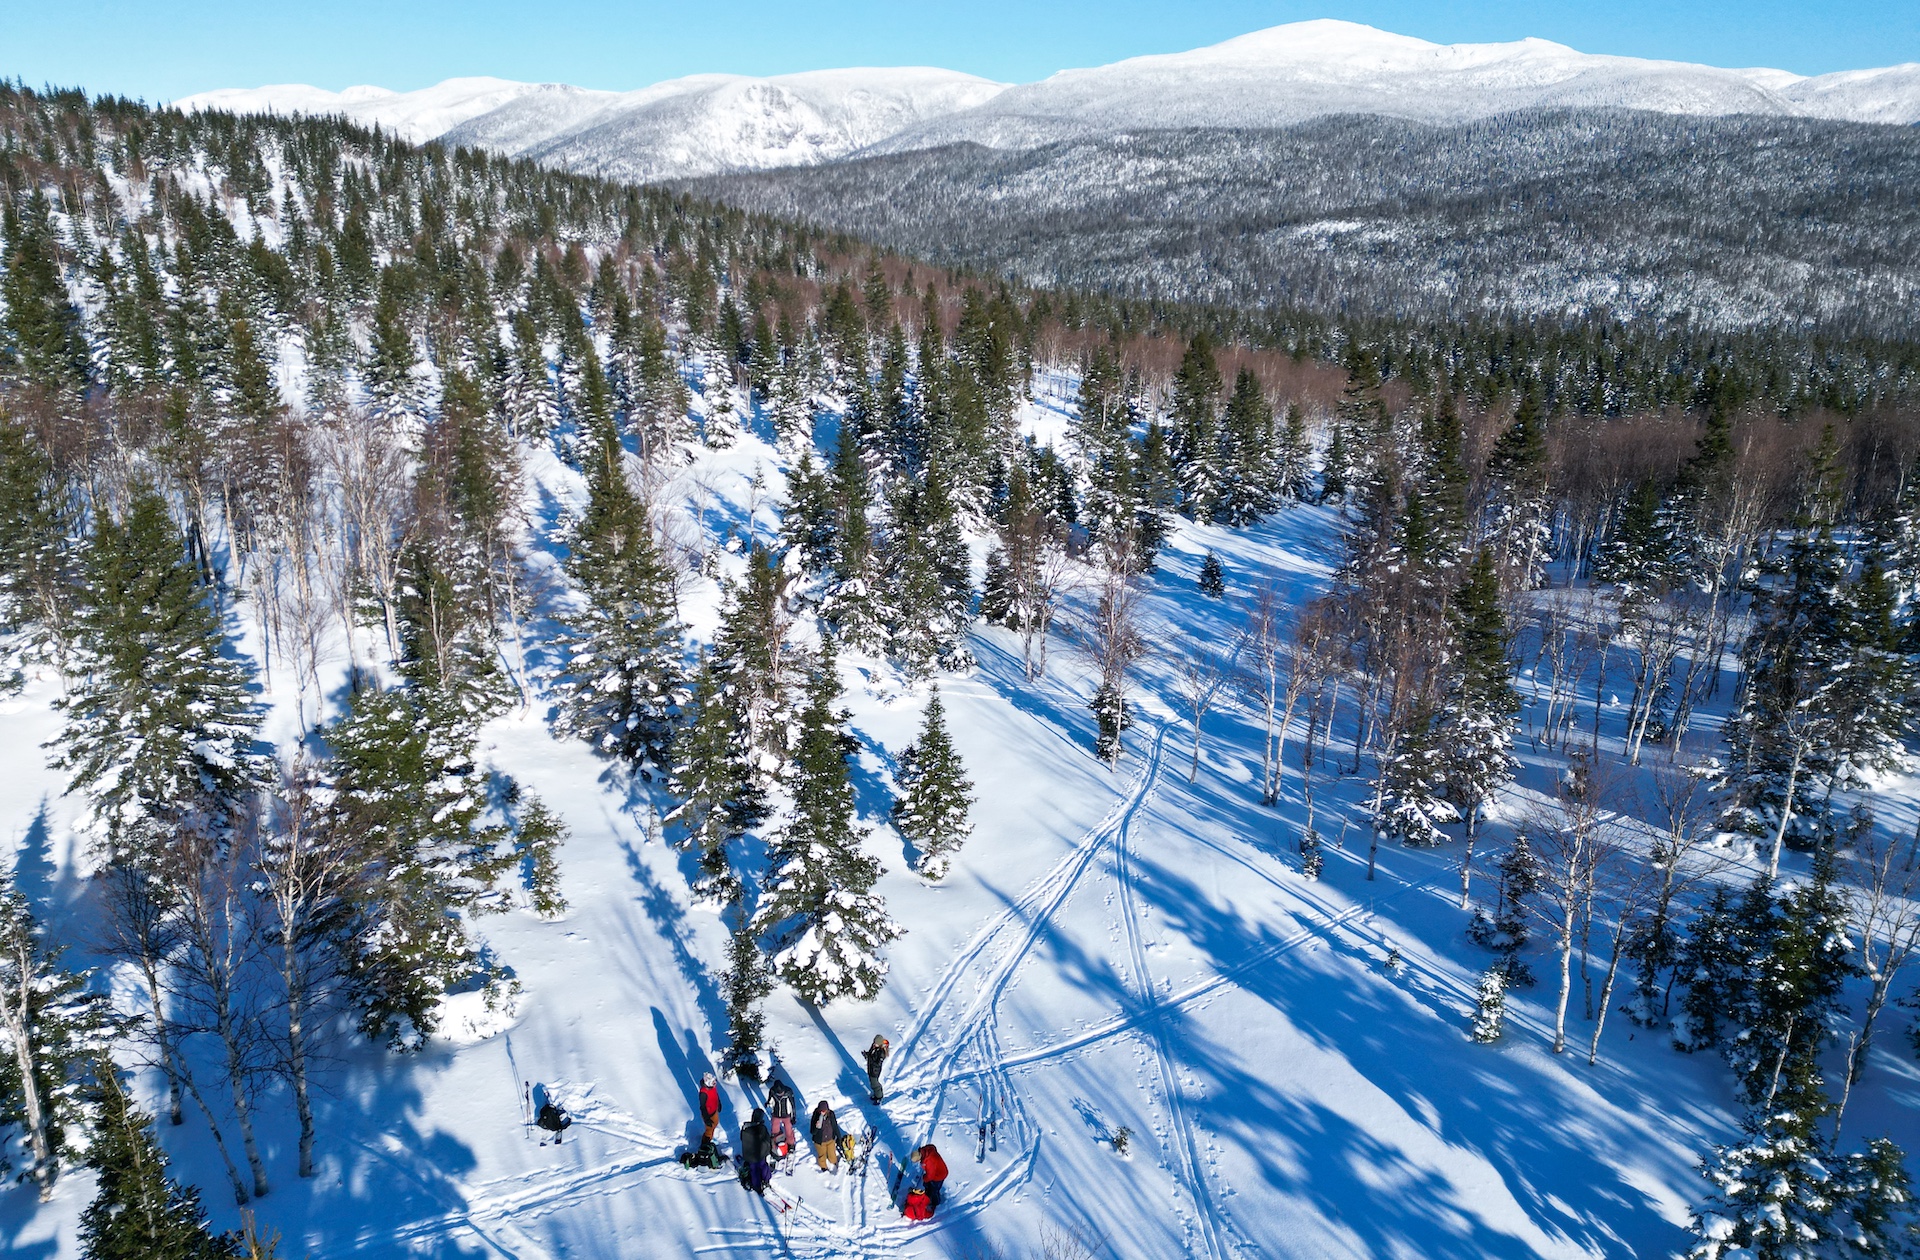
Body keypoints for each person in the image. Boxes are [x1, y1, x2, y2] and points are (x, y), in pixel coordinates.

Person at [740, 1107, 773, 1195]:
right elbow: (767, 1140)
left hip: (749, 1155)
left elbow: (741, 1138)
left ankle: (757, 1185)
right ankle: (766, 1180)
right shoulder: (761, 1128)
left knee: (753, 1169)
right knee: (763, 1166)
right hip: (759, 1154)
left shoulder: (745, 1127)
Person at [767, 1076, 798, 1157]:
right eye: (779, 1093)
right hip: (776, 1114)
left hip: (786, 1114)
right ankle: (776, 1144)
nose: (780, 1094)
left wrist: (793, 1116)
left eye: (781, 1093)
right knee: (774, 1130)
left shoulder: (788, 1092)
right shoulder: (772, 1091)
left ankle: (791, 1145)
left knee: (788, 1130)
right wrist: (768, 1104)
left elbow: (792, 1105)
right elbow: (770, 1100)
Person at [911, 1143, 948, 1208]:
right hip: (939, 1169)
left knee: (934, 1190)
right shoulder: (925, 1150)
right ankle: (928, 1192)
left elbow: (930, 1176)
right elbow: (932, 1146)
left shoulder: (928, 1161)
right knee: (928, 1184)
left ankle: (935, 1202)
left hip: (939, 1175)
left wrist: (924, 1178)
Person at [809, 1100, 842, 1172]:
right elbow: (812, 1132)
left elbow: (835, 1126)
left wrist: (839, 1137)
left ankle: (833, 1162)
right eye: (821, 1110)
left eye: (825, 1110)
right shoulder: (816, 1116)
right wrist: (816, 1127)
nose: (823, 1112)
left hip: (830, 1139)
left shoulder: (831, 1114)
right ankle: (823, 1167)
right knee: (822, 1155)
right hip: (820, 1141)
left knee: (832, 1154)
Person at [864, 1035, 890, 1103]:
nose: (874, 1044)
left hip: (875, 1070)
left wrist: (870, 1059)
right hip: (871, 1068)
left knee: (875, 1084)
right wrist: (866, 1055)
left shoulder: (881, 1052)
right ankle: (876, 1094)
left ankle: (879, 1096)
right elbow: (871, 1054)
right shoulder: (874, 1047)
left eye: (876, 1043)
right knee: (872, 1083)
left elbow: (878, 1063)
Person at [698, 1072, 722, 1142]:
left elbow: (716, 1095)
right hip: (707, 1115)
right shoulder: (703, 1093)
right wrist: (706, 1119)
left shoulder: (713, 1088)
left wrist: (719, 1103)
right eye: (713, 1082)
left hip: (714, 1111)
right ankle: (705, 1142)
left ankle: (710, 1137)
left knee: (715, 1123)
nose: (715, 1084)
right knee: (709, 1129)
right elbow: (703, 1107)